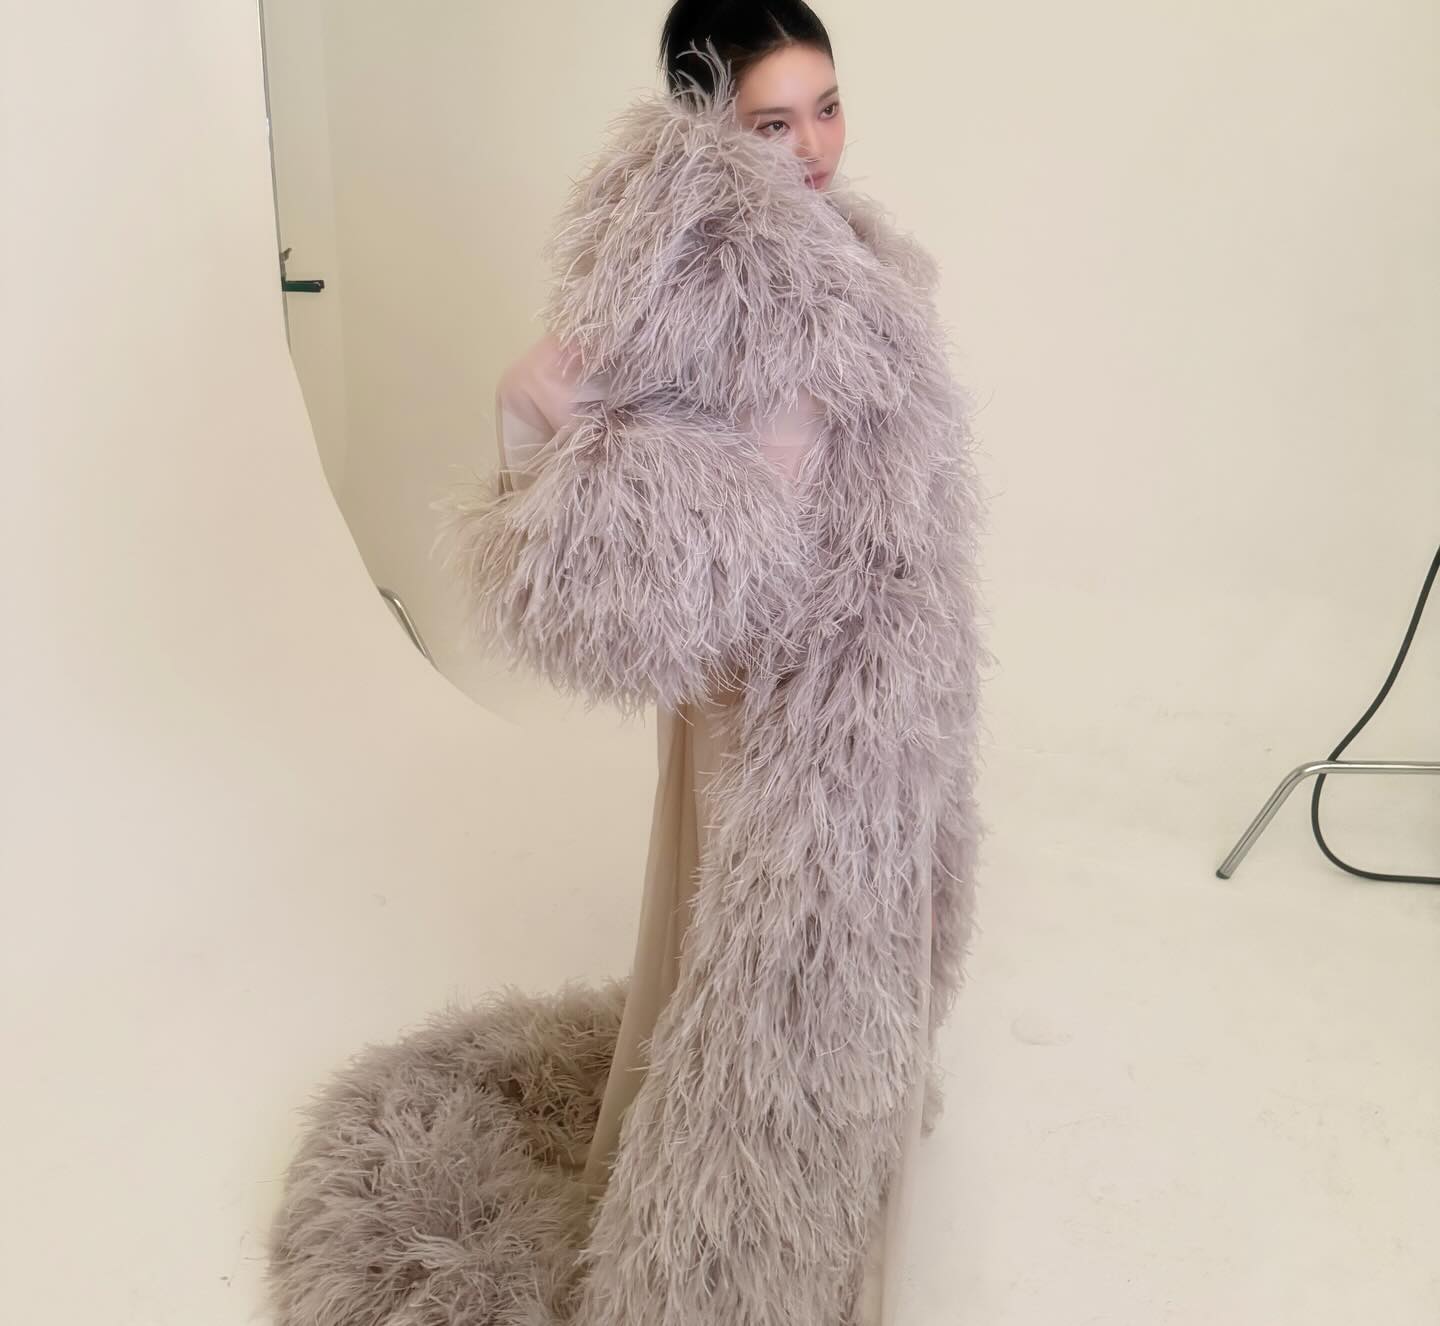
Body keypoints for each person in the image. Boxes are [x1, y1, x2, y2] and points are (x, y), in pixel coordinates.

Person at [491, 7, 926, 1322]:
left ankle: (834, 1184)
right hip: (752, 687)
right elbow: (540, 395)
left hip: (870, 679)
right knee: (749, 956)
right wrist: (669, 531)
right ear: (708, 129)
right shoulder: (679, 273)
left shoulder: (867, 263)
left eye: (828, 107)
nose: (816, 148)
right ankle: (725, 1245)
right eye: (772, 122)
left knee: (847, 946)